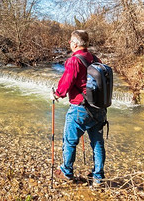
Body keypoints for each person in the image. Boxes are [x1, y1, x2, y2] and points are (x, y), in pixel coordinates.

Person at [52, 30, 107, 186]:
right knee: (97, 143)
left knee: (69, 142)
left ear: (75, 44)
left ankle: (66, 173)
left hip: (80, 109)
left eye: (70, 42)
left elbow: (65, 84)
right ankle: (98, 178)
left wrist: (57, 94)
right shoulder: (96, 59)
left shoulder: (74, 61)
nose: (69, 44)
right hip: (99, 108)